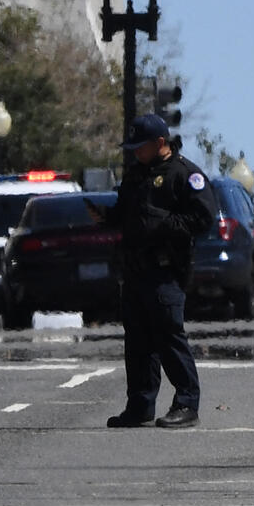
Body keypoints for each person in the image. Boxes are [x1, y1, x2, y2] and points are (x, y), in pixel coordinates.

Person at [90, 113, 217, 429]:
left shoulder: (185, 175)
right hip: (134, 270)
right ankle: (140, 405)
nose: (135, 152)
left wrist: (164, 224)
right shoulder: (136, 175)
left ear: (160, 143)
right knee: (138, 342)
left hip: (166, 270)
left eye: (140, 146)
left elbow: (203, 220)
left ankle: (187, 404)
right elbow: (126, 213)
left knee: (168, 336)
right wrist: (106, 216)